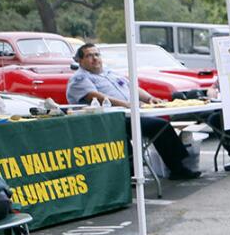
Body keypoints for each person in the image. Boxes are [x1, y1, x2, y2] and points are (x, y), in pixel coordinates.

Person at [66, 43, 202, 180]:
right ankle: (131, 173)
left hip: (129, 115)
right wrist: (128, 105)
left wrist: (150, 98)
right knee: (154, 126)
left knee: (161, 125)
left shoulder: (109, 72)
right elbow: (96, 97)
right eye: (89, 56)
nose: (95, 58)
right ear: (80, 60)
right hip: (108, 121)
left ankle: (177, 168)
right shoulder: (79, 79)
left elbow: (132, 87)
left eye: (97, 54)